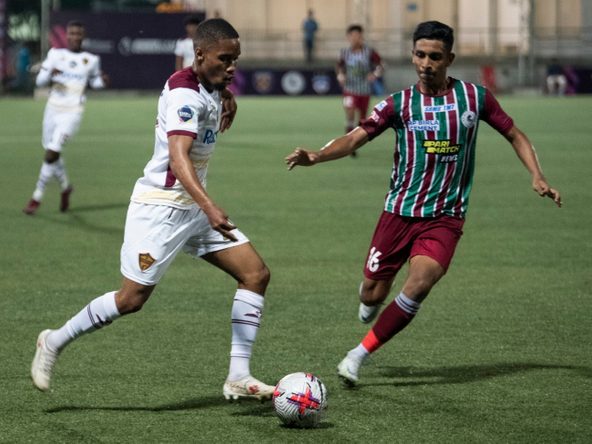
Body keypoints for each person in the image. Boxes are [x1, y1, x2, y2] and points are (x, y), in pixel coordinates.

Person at [285, 21, 562, 386]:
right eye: (420, 55)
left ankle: (358, 354)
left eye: (434, 56)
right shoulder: (398, 104)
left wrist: (536, 175)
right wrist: (317, 156)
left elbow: (515, 133)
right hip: (398, 213)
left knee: (420, 281)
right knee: (372, 293)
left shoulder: (474, 98)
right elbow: (356, 138)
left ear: (449, 58)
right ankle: (371, 298)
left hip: (445, 218)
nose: (426, 63)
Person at [31, 18, 276, 401]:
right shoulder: (184, 96)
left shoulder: (208, 83)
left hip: (192, 210)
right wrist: (210, 207)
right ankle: (54, 340)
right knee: (130, 300)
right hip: (160, 210)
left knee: (255, 274)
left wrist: (225, 93)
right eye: (225, 59)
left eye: (236, 60)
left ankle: (238, 376)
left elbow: (209, 88)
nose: (232, 68)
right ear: (200, 54)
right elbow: (179, 160)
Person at [23, 21, 108, 215]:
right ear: (67, 35)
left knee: (52, 152)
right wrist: (49, 73)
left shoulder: (91, 59)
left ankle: (36, 197)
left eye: (79, 33)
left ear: (83, 36)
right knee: (51, 151)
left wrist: (103, 81)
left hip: (73, 112)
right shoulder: (56, 55)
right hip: (52, 109)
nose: (75, 36)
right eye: (72, 33)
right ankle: (66, 187)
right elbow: (40, 81)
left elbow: (95, 83)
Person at [336, 24, 383, 139]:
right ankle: (348, 139)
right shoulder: (344, 52)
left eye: (358, 36)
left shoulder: (369, 51)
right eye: (352, 36)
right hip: (349, 89)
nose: (355, 38)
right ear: (348, 37)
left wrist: (375, 74)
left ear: (362, 37)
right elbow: (339, 66)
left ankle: (357, 139)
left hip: (364, 89)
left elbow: (381, 66)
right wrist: (340, 75)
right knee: (350, 113)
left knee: (362, 118)